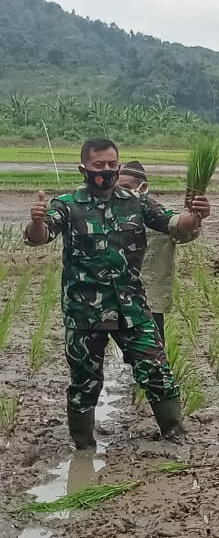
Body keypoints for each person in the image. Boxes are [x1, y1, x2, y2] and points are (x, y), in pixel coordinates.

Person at [24, 138, 209, 449]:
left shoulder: (136, 202)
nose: (107, 171)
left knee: (157, 370)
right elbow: (40, 237)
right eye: (99, 165)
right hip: (85, 313)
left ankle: (175, 435)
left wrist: (196, 216)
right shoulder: (67, 205)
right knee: (85, 383)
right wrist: (36, 221)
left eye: (112, 164)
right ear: (83, 169)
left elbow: (174, 224)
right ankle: (83, 446)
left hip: (132, 307)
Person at [116, 162, 201, 339]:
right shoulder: (110, 213)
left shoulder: (156, 215)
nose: (121, 192)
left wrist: (194, 217)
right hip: (114, 298)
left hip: (148, 299)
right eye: (116, 188)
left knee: (152, 354)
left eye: (126, 187)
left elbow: (184, 232)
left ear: (143, 187)